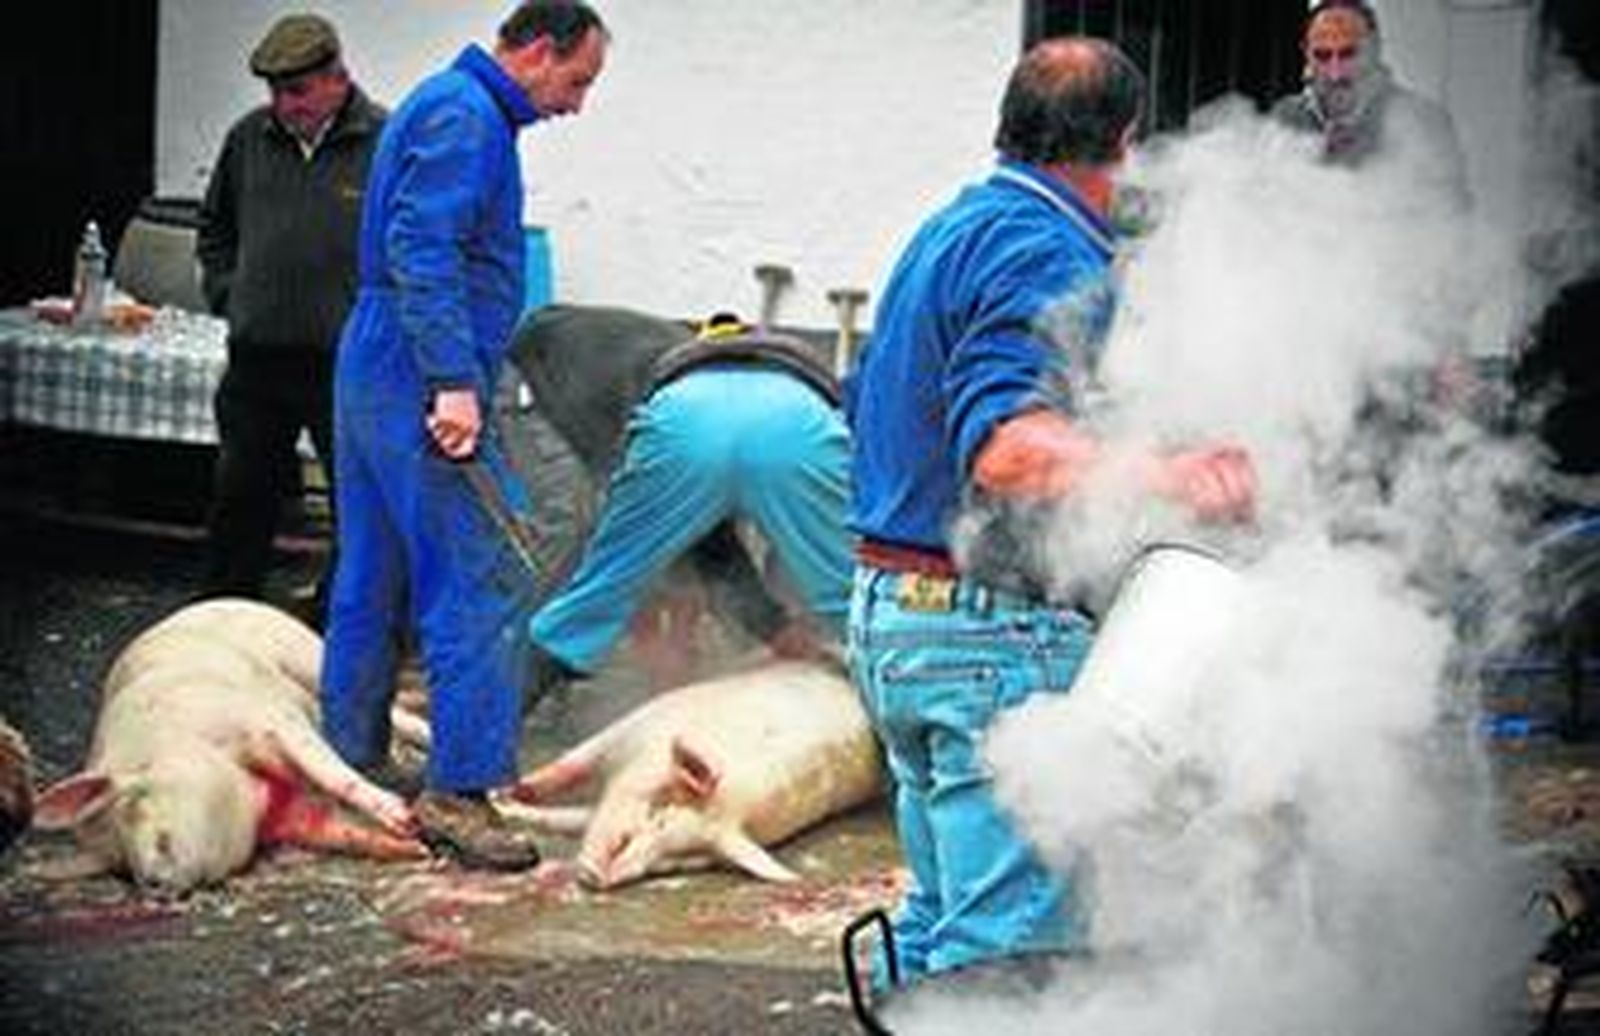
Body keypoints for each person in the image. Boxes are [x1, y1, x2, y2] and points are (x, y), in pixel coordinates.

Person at [846, 37, 1256, 984]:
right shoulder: (1044, 246)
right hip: (983, 637)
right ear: (1125, 139)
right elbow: (1007, 447)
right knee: (1005, 962)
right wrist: (1173, 471)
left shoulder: (956, 224)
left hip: (896, 620)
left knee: (940, 927)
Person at [320, 1, 608, 871]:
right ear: (537, 50)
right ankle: (461, 790)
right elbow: (425, 247)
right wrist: (452, 380)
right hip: (418, 366)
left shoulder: (445, 102)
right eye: (578, 79)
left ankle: (349, 759)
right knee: (479, 578)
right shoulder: (467, 115)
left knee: (371, 571)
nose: (577, 102)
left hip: (376, 359)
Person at [511, 307, 853, 693]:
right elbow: (711, 544)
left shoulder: (614, 364)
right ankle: (907, 727)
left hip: (685, 413)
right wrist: (774, 628)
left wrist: (769, 627)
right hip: (799, 415)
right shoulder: (592, 363)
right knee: (859, 603)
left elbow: (688, 538)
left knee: (590, 599)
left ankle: (487, 728)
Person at [196, 13, 385, 625]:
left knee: (357, 506)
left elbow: (413, 249)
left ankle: (339, 630)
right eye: (275, 91)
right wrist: (231, 294)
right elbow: (215, 229)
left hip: (346, 364)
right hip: (258, 362)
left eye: (298, 90)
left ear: (338, 78)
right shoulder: (248, 139)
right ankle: (225, 619)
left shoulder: (385, 142)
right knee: (239, 497)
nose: (284, 105)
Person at [1270, 0, 1468, 203]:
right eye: (1322, 56)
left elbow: (1450, 217)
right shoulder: (1286, 117)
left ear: (1374, 48)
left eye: (1348, 54)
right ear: (1306, 53)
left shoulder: (1422, 122)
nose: (1335, 74)